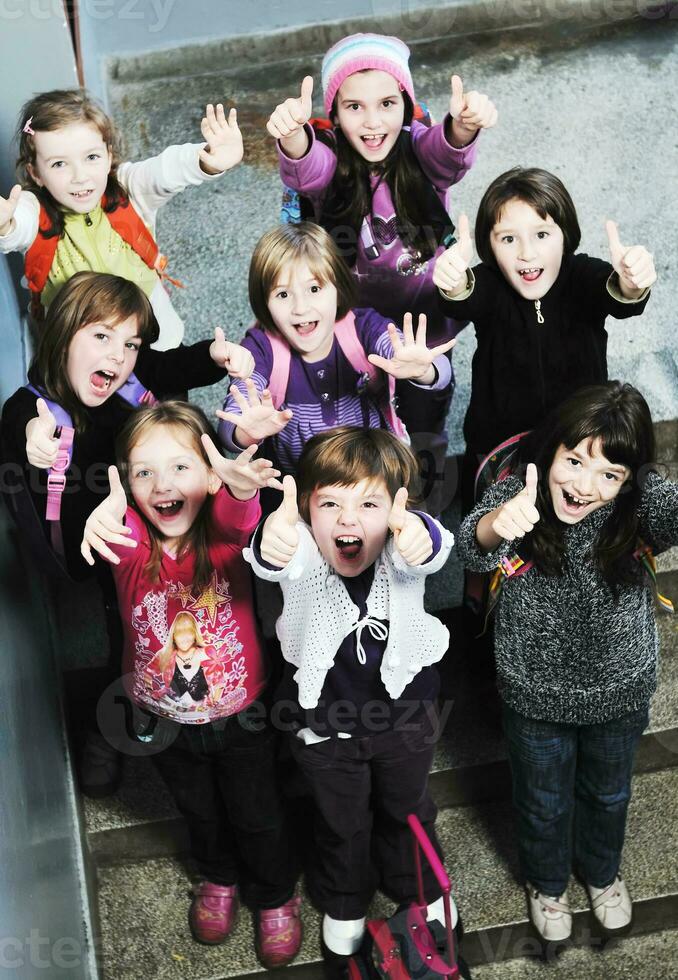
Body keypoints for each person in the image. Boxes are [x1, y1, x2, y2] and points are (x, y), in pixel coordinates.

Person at [0, 271, 252, 796]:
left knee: (216, 606)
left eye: (130, 342)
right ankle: (108, 732)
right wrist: (34, 443)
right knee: (129, 636)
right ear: (64, 332)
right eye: (101, 335)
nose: (117, 355)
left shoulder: (133, 381)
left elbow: (169, 364)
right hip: (103, 552)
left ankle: (243, 706)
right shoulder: (34, 410)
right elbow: (21, 423)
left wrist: (214, 356)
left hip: (168, 528)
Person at [80, 401, 302, 967]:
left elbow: (236, 516)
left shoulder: (228, 540)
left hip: (244, 716)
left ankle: (273, 894)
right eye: (143, 472)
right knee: (199, 811)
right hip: (163, 719)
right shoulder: (130, 550)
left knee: (258, 813)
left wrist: (244, 490)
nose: (162, 485)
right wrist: (100, 518)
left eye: (180, 467)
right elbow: (118, 526)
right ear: (127, 484)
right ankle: (217, 877)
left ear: (209, 472)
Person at [457, 382, 678, 947]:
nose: (583, 486)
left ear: (629, 480)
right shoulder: (517, 486)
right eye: (574, 461)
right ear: (551, 448)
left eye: (608, 474)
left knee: (609, 794)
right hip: (533, 692)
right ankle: (547, 884)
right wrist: (496, 524)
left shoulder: (641, 501)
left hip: (619, 688)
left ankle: (602, 874)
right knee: (542, 801)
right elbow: (472, 544)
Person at [245, 426, 455, 978]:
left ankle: (418, 887)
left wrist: (419, 534)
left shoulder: (402, 548)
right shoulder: (303, 553)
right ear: (308, 513)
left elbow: (430, 549)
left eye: (369, 504)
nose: (347, 520)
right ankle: (344, 897)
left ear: (395, 510)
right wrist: (273, 537)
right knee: (340, 821)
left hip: (406, 721)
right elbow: (271, 558)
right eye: (330, 503)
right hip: (325, 730)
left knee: (407, 809)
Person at [267, 33, 497, 511]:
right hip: (353, 328)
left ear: (407, 104)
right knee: (367, 411)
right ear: (334, 113)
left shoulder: (420, 149)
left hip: (425, 324)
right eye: (354, 107)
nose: (373, 122)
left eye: (387, 103)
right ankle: (368, 496)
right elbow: (305, 166)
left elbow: (448, 150)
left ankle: (424, 496)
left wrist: (463, 126)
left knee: (426, 410)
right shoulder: (331, 162)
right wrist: (291, 133)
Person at [433, 167, 657, 513]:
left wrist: (631, 283)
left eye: (541, 234)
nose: (526, 253)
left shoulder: (581, 275)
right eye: (508, 239)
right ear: (490, 248)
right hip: (498, 446)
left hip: (578, 448)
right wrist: (453, 282)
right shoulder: (492, 283)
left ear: (565, 235)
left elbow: (615, 293)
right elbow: (467, 294)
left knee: (574, 527)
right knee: (489, 535)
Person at [217, 221, 455, 489]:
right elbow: (233, 419)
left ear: (338, 289)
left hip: (375, 481)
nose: (300, 307)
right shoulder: (261, 348)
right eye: (283, 294)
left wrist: (423, 369)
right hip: (299, 491)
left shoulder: (363, 327)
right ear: (264, 303)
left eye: (314, 289)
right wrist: (245, 432)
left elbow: (433, 367)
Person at [0, 88, 243, 348]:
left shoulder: (128, 187)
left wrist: (206, 160)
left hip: (155, 338)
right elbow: (19, 225)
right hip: (82, 358)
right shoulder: (34, 209)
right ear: (35, 173)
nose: (79, 176)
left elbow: (164, 171)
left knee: (170, 381)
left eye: (91, 157)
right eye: (59, 164)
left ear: (109, 157)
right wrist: (6, 224)